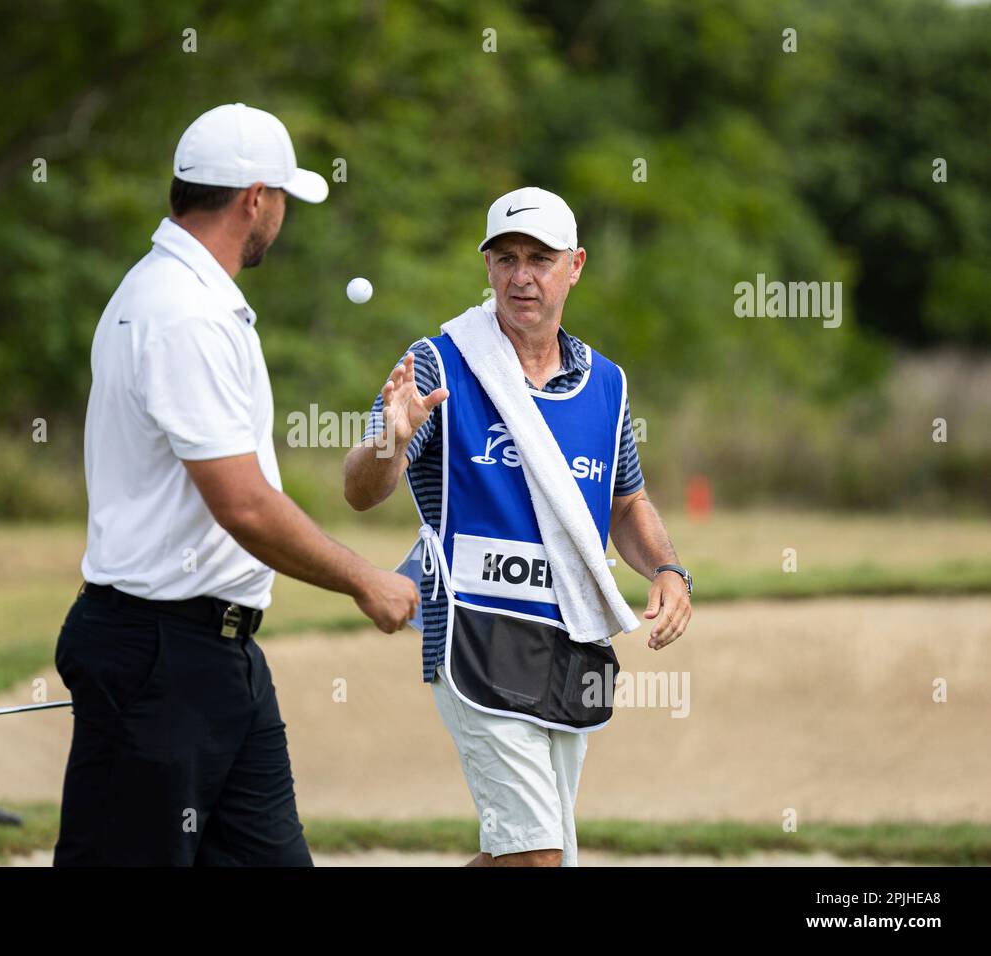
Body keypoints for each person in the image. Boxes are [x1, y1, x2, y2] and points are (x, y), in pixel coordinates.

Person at [54, 103, 420, 867]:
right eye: (282, 198)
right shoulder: (183, 311)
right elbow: (244, 505)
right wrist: (364, 581)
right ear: (255, 198)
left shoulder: (182, 294)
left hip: (219, 662)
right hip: (160, 657)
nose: (282, 217)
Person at [343, 186, 693, 867]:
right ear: (488, 268)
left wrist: (669, 569)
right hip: (473, 633)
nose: (521, 276)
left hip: (569, 638)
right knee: (534, 856)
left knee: (539, 858)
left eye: (540, 258)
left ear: (576, 266)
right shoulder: (442, 364)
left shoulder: (608, 384)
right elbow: (361, 490)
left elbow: (626, 504)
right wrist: (390, 440)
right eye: (505, 258)